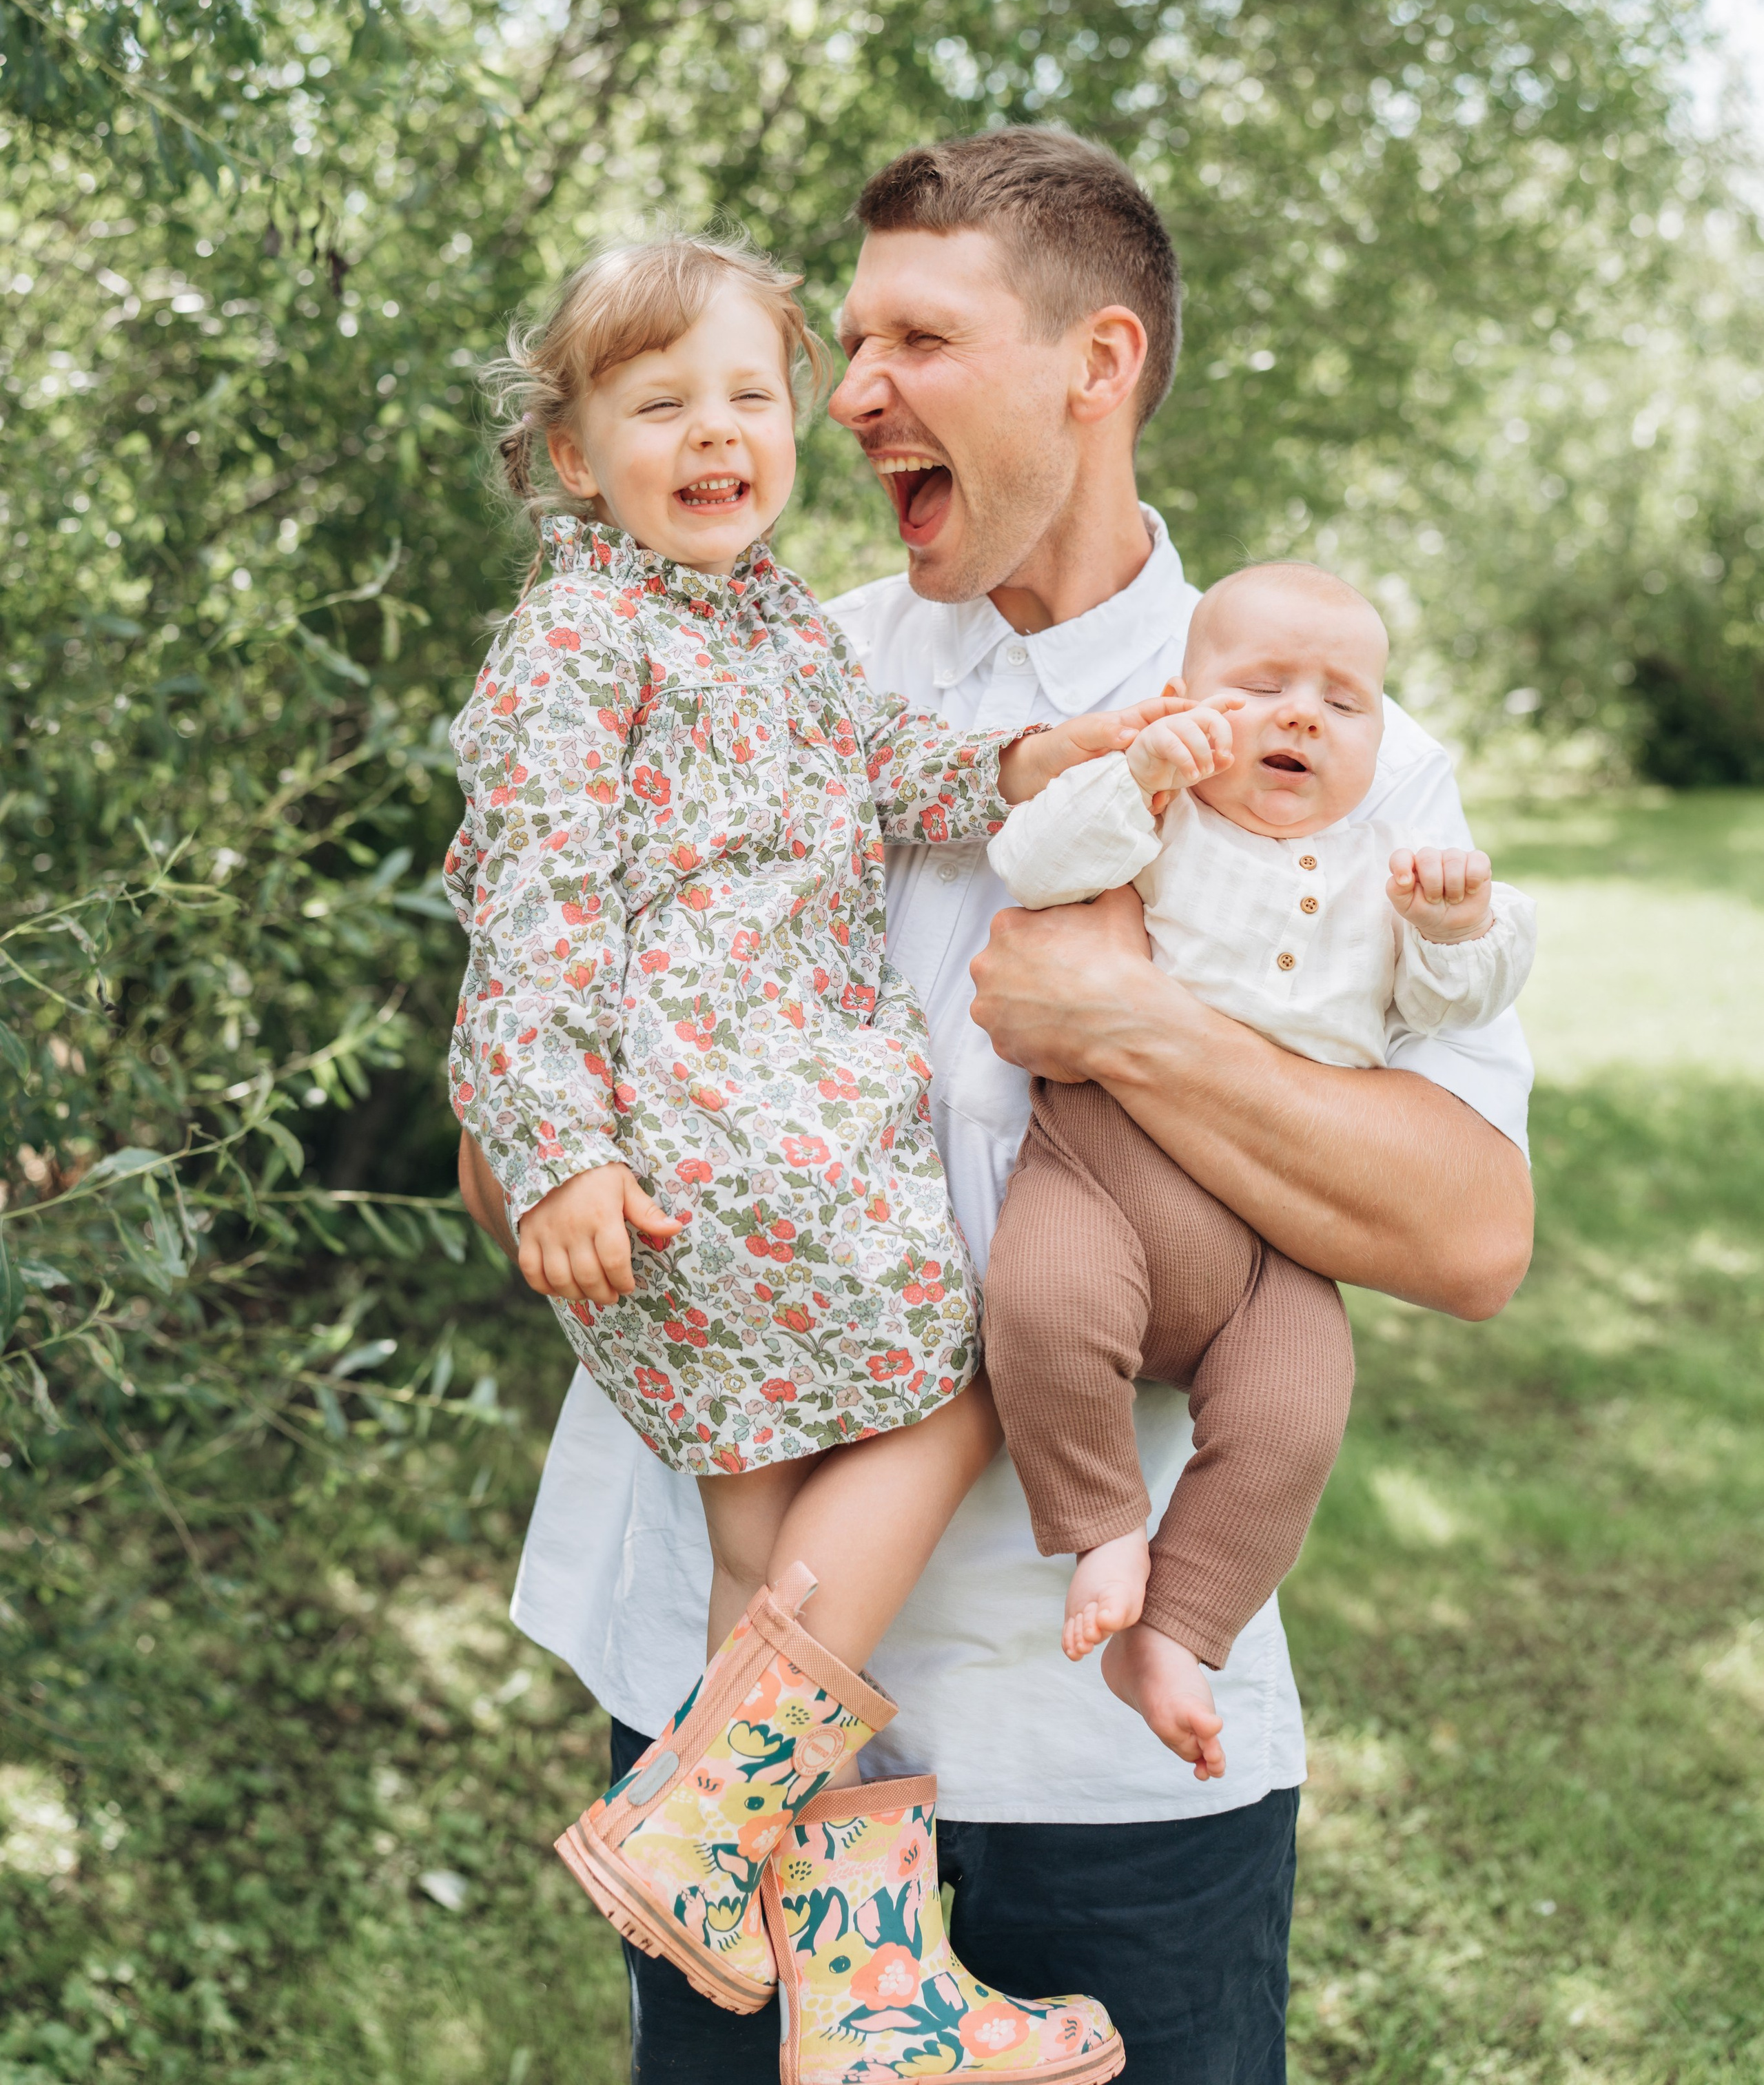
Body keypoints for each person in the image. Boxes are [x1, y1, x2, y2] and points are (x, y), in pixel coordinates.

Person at [460, 128, 1534, 2083]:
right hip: (708, 1692)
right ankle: (729, 1795)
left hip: (1111, 1745)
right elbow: (504, 1133)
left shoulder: (1330, 744)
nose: (852, 393)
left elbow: (1471, 1236)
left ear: (1095, 366)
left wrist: (1129, 1026)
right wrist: (565, 1131)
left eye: (916, 341)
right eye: (843, 345)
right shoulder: (754, 661)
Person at [447, 227, 1190, 2077]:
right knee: (969, 1374)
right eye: (659, 404)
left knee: (765, 1553)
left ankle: (861, 1988)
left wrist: (1041, 766)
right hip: (711, 1160)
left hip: (778, 1149)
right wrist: (554, 1156)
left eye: (751, 399)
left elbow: (898, 774)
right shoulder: (580, 642)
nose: (718, 435)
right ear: (571, 455)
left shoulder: (778, 626)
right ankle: (699, 1825)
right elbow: (525, 919)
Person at [982, 558, 1536, 1773]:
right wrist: (1137, 772)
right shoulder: (1161, 819)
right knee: (1041, 1304)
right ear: (1187, 700)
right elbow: (1034, 862)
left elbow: (1456, 1001)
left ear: (1381, 742)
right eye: (1265, 688)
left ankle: (1180, 1629)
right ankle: (1104, 1525)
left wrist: (1456, 926)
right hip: (1105, 1164)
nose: (1302, 716)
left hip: (1279, 1242)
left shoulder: (1385, 858)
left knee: (1298, 1416)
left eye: (1344, 704)